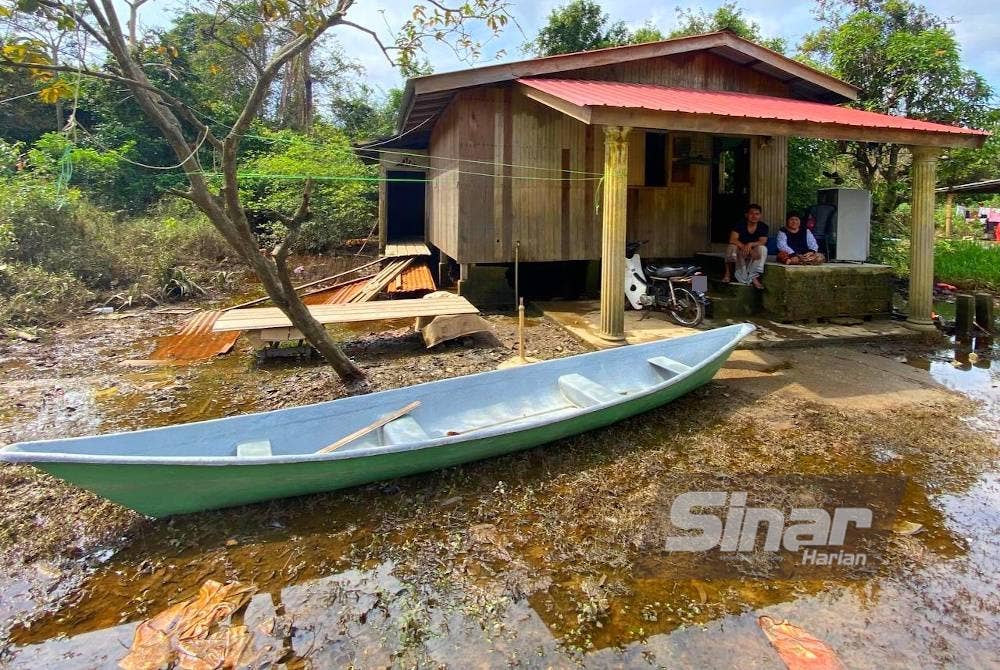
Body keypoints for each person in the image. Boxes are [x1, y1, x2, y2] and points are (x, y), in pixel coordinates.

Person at [723, 203, 769, 289]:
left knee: (763, 248)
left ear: (760, 215)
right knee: (731, 246)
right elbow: (733, 239)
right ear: (746, 215)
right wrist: (745, 247)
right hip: (739, 251)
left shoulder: (763, 226)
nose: (754, 216)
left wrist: (750, 244)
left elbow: (762, 241)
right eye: (751, 213)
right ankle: (728, 273)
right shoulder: (740, 224)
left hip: (753, 252)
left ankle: (754, 276)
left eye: (757, 214)